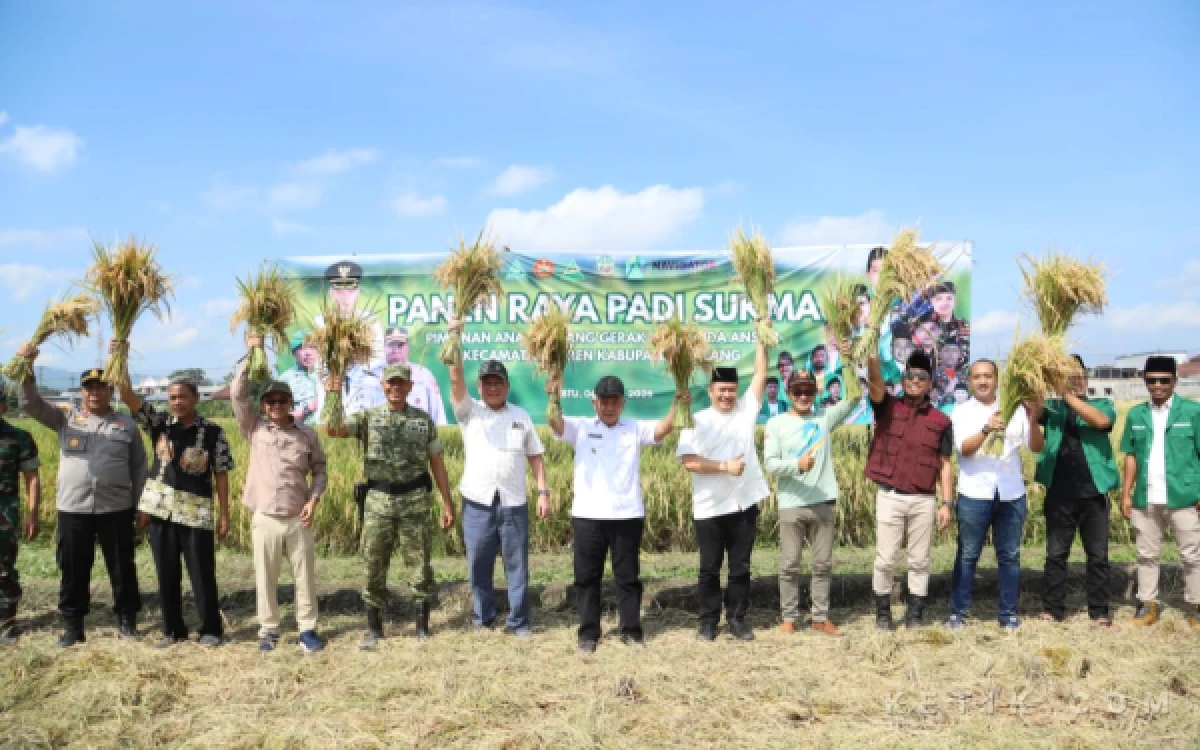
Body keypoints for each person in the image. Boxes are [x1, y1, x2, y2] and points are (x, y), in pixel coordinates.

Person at [16, 347, 147, 647]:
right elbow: (30, 404)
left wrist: (141, 505)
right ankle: (73, 626)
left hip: (116, 508)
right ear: (82, 392)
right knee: (73, 569)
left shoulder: (126, 425)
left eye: (102, 387)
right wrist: (27, 367)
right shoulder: (66, 419)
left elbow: (139, 468)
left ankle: (127, 620)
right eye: (89, 388)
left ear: (111, 390)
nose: (95, 393)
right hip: (74, 509)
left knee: (122, 567)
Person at [548, 375, 684, 653]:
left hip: (627, 514)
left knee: (628, 578)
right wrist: (553, 397)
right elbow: (556, 424)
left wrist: (677, 405)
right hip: (588, 515)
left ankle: (631, 631)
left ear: (622, 403)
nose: (609, 407)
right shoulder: (581, 427)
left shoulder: (634, 428)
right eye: (604, 401)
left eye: (614, 401)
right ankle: (588, 633)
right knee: (586, 578)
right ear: (594, 402)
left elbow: (662, 430)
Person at [113, 344, 235, 648]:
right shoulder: (159, 424)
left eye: (182, 397)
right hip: (162, 511)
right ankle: (172, 630)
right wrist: (121, 359)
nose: (177, 402)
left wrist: (224, 513)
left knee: (202, 573)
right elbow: (129, 397)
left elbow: (221, 474)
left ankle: (210, 629)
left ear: (195, 398)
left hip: (196, 513)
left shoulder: (212, 432)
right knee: (166, 572)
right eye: (172, 397)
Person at [327, 363, 455, 647]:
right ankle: (374, 629)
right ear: (383, 386)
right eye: (390, 383)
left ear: (410, 387)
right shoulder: (367, 418)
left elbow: (437, 463)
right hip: (377, 503)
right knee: (373, 565)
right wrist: (333, 396)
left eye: (401, 383)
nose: (395, 388)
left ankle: (422, 627)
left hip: (414, 502)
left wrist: (448, 503)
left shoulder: (423, 421)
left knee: (419, 566)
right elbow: (334, 430)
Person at [232, 342, 329, 652]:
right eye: (270, 401)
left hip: (299, 515)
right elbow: (237, 393)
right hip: (265, 516)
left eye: (281, 400)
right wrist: (251, 354)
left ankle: (307, 629)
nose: (276, 405)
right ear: (263, 405)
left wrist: (314, 500)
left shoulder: (307, 434)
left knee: (305, 578)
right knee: (266, 578)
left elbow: (320, 471)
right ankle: (269, 630)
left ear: (290, 402)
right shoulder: (255, 429)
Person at [449, 351, 548, 638]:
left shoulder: (521, 416)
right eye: (487, 383)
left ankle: (518, 622)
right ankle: (484, 620)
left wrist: (543, 492)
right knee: (478, 564)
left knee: (517, 566)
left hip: (513, 503)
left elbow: (536, 456)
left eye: (498, 382)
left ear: (507, 386)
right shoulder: (469, 412)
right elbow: (455, 380)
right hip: (478, 503)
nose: (493, 388)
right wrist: (455, 338)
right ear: (479, 387)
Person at [764, 341, 860, 636]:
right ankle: (789, 619)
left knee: (822, 564)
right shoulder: (775, 424)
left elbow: (855, 397)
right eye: (797, 391)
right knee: (790, 564)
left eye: (808, 391)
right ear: (788, 393)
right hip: (792, 502)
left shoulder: (824, 417)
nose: (803, 396)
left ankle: (820, 617)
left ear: (816, 393)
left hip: (822, 501)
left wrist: (845, 357)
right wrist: (796, 465)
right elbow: (770, 463)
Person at [677, 336, 769, 642]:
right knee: (709, 568)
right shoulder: (697, 420)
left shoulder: (746, 411)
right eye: (721, 391)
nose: (727, 395)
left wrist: (761, 337)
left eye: (731, 390)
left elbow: (760, 373)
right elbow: (689, 462)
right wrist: (724, 467)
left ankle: (738, 619)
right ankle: (707, 622)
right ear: (711, 392)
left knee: (741, 567)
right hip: (710, 506)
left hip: (743, 504)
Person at [944, 360, 1044, 632]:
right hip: (975, 492)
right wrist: (987, 429)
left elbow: (1035, 447)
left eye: (988, 376)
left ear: (997, 379)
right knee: (967, 555)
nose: (983, 381)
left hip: (1011, 492)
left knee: (1010, 555)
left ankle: (1008, 614)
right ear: (970, 380)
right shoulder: (962, 411)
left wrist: (1033, 419)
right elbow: (964, 449)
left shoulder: (1016, 409)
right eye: (977, 377)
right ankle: (959, 613)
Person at [864, 349, 954, 630]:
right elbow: (875, 378)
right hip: (890, 496)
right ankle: (883, 614)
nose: (915, 380)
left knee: (919, 560)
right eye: (910, 375)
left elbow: (945, 464)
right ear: (903, 380)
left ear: (930, 383)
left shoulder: (941, 421)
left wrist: (947, 503)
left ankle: (915, 615)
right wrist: (871, 351)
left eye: (921, 377)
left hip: (923, 500)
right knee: (885, 559)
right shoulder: (886, 406)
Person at [1037, 355, 1118, 628]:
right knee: (1056, 555)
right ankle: (1053, 609)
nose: (1077, 380)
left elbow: (1101, 422)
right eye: (1069, 376)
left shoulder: (1101, 404)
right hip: (1059, 493)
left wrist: (1068, 396)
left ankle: (1099, 611)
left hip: (1094, 493)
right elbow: (1032, 411)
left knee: (1098, 556)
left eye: (1080, 375)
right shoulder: (1052, 409)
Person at [1119, 356, 1200, 627]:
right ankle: (1148, 604)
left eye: (1164, 380)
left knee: (1191, 555)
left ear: (1175, 381)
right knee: (1146, 554)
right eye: (1152, 380)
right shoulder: (1136, 414)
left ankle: (1195, 606)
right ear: (1145, 381)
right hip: (1146, 497)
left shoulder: (1192, 412)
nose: (1158, 385)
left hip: (1184, 496)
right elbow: (1130, 455)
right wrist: (1126, 493)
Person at [0, 392, 40, 646]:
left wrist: (32, 514)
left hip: (3, 513)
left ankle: (5, 623)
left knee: (3, 568)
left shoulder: (19, 437)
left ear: (3, 407)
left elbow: (32, 478)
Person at [372, 327, 446, 425]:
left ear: (407, 347)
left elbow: (438, 416)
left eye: (400, 345)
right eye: (391, 345)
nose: (395, 350)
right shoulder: (372, 376)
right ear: (384, 347)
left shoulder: (423, 375)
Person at [278, 330, 322, 425]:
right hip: (302, 433)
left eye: (312, 347)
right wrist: (307, 410)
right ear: (294, 352)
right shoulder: (284, 380)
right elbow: (279, 417)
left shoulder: (330, 375)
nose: (308, 353)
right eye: (302, 348)